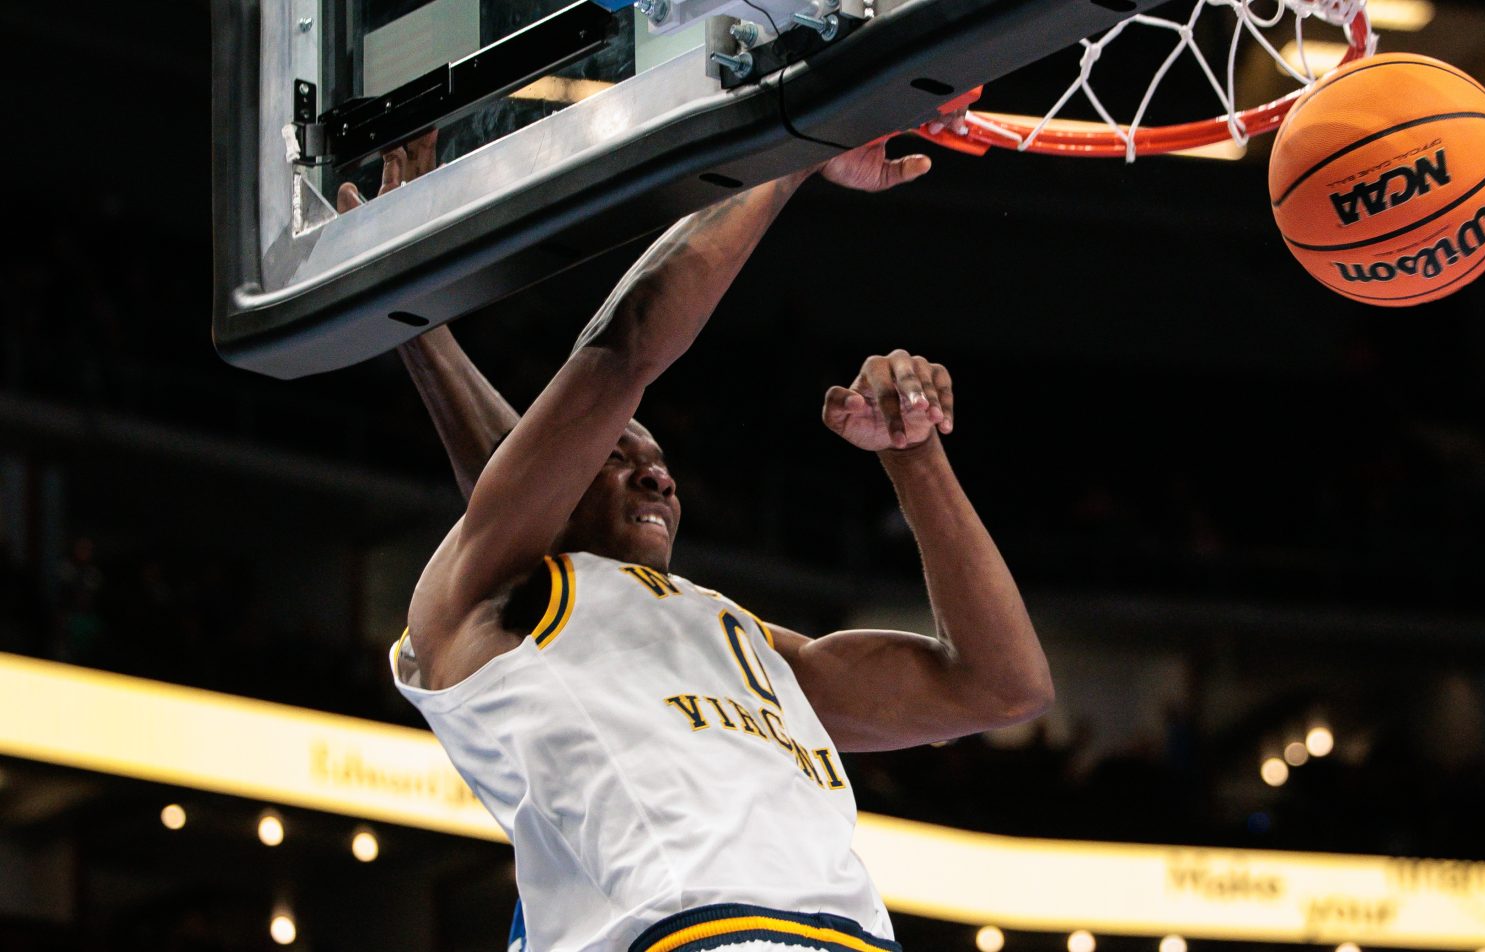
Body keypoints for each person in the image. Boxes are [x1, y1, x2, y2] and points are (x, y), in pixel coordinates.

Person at [382, 136, 1054, 952]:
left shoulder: (752, 647)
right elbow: (622, 353)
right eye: (617, 456)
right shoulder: (493, 605)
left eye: (661, 464)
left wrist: (914, 456)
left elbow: (1001, 688)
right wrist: (794, 147)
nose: (657, 477)